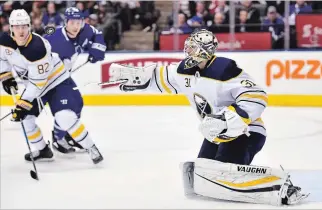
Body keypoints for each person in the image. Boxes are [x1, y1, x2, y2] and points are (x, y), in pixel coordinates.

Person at [107, 29, 308, 206]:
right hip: (215, 134)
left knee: (225, 175)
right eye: (188, 47)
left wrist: (229, 119)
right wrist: (139, 78)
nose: (188, 52)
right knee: (205, 175)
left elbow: (256, 96)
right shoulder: (184, 71)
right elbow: (162, 76)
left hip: (247, 132)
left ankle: (281, 187)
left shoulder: (226, 70)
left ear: (205, 50)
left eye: (193, 48)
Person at [0, 9, 103, 164]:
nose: (21, 31)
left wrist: (23, 103)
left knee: (64, 117)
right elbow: (3, 58)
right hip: (35, 86)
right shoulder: (4, 41)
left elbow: (38, 82)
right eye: (17, 27)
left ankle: (91, 147)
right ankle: (43, 150)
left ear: (29, 26)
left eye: (24, 27)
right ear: (11, 28)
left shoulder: (37, 48)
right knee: (26, 119)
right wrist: (6, 77)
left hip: (56, 82)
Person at [44, 7, 106, 154]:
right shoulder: (53, 38)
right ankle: (59, 139)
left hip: (65, 77)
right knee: (65, 109)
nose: (76, 26)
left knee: (78, 103)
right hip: (51, 80)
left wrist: (97, 49)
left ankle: (67, 134)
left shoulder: (85, 30)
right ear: (66, 22)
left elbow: (98, 34)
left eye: (79, 22)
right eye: (73, 22)